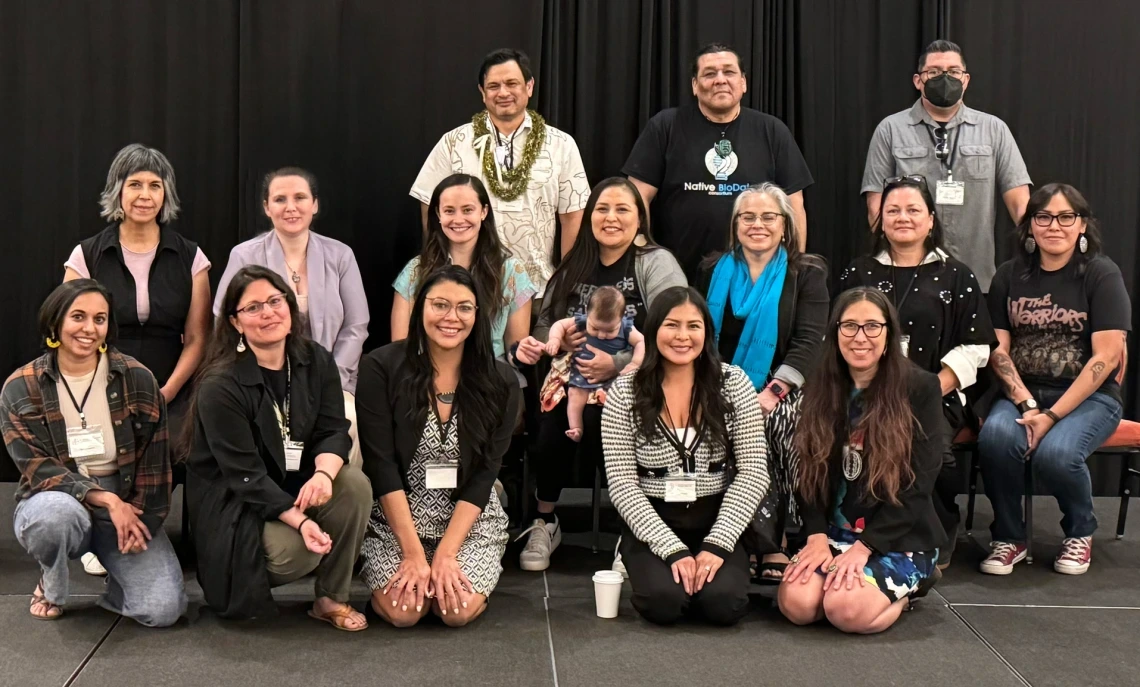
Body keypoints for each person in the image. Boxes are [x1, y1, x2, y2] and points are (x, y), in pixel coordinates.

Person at [513, 177, 687, 571]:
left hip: (637, 375)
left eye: (622, 210)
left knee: (599, 415)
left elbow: (677, 329)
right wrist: (556, 344)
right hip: (573, 373)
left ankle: (632, 526)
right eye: (602, 209)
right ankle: (544, 518)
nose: (611, 218)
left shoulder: (655, 262)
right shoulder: (575, 264)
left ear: (639, 219)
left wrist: (619, 363)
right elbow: (545, 324)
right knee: (553, 414)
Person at [185, 266, 372, 629]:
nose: (268, 312)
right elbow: (245, 477)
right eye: (252, 308)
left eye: (275, 301)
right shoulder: (220, 385)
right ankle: (248, 579)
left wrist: (322, 475)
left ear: (290, 306)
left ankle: (331, 598)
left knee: (352, 485)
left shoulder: (315, 359)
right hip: (238, 503)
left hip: (294, 483)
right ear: (236, 323)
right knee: (297, 553)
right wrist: (302, 522)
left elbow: (335, 429)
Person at [63, 143, 211, 577]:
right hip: (100, 382)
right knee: (101, 441)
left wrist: (166, 391)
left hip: (174, 383)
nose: (145, 194)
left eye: (154, 185)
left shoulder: (191, 256)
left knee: (197, 440)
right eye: (134, 185)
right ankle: (99, 531)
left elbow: (199, 337)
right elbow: (72, 331)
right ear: (118, 192)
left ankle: (193, 541)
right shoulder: (86, 254)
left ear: (166, 195)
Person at [0, 280, 186, 625]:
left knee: (163, 611)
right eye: (78, 317)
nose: (89, 328)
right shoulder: (20, 386)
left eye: (100, 319)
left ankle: (118, 584)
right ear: (55, 323)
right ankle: (51, 581)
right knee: (55, 517)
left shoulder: (136, 378)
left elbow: (156, 465)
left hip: (126, 499)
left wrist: (139, 519)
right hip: (57, 496)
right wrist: (106, 499)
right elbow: (38, 469)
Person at [840, 175, 995, 568]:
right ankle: (861, 528)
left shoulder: (957, 275)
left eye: (913, 210)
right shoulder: (859, 273)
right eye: (893, 210)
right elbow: (838, 334)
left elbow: (977, 345)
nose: (902, 217)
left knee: (933, 454)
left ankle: (937, 530)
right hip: (864, 392)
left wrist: (931, 387)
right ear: (880, 220)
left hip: (934, 394)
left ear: (930, 220)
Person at [978, 183, 1131, 576]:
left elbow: (1107, 357)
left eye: (1066, 217)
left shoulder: (1101, 273)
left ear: (1082, 225)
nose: (1054, 226)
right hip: (1022, 393)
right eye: (1043, 217)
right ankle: (1009, 537)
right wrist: (1028, 404)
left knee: (1057, 455)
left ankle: (1080, 531)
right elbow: (998, 350)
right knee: (995, 438)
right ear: (1029, 226)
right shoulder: (1010, 275)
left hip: (1090, 398)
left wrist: (1051, 416)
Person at [356, 266, 521, 628]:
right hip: (397, 517)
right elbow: (381, 466)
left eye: (465, 308)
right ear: (420, 308)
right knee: (404, 613)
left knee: (456, 611)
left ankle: (458, 574)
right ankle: (411, 574)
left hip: (468, 521)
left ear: (479, 315)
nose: (452, 317)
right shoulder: (380, 367)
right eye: (440, 305)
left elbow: (484, 474)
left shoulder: (502, 382)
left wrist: (446, 554)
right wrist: (414, 554)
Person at [779, 288, 947, 634]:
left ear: (889, 333)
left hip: (896, 536)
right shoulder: (821, 386)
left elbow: (919, 484)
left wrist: (866, 548)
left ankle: (911, 588)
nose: (860, 337)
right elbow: (808, 472)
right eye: (850, 326)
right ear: (835, 332)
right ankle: (852, 587)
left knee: (845, 611)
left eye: (872, 326)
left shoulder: (920, 388)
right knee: (798, 605)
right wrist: (814, 537)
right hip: (834, 532)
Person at [601, 286, 768, 625]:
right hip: (654, 516)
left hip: (716, 516)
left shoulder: (734, 384)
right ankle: (632, 551)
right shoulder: (624, 391)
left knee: (723, 606)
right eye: (671, 325)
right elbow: (621, 484)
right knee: (664, 605)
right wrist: (672, 549)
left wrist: (718, 544)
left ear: (707, 332)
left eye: (693, 326)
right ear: (653, 330)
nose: (682, 336)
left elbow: (753, 473)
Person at [694, 183, 829, 582]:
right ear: (735, 225)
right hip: (717, 382)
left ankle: (777, 542)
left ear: (785, 226)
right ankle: (742, 540)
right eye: (748, 217)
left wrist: (770, 394)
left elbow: (808, 343)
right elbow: (696, 335)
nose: (758, 224)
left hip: (784, 386)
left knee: (778, 424)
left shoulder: (807, 273)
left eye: (769, 217)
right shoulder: (711, 269)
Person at [214, 167, 369, 468]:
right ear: (266, 207)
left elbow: (356, 325)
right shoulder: (244, 255)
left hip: (330, 376)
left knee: (348, 417)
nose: (291, 207)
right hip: (263, 377)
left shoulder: (340, 255)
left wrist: (331, 379)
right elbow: (225, 317)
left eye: (300, 197)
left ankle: (335, 505)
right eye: (280, 199)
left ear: (315, 204)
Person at [623, 43, 813, 280]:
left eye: (729, 72)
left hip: (757, 277)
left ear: (743, 83)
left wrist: (794, 273)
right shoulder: (665, 126)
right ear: (695, 85)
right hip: (676, 275)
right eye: (709, 73)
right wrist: (645, 257)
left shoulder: (772, 131)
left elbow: (795, 205)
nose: (720, 80)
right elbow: (635, 198)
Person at [410, 48, 591, 294]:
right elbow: (428, 205)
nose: (503, 92)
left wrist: (565, 282)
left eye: (512, 83)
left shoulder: (561, 144)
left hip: (537, 289)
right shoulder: (454, 142)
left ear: (529, 87)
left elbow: (572, 215)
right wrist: (441, 265)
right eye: (493, 86)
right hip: (465, 288)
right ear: (482, 93)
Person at [861, 40, 1032, 291]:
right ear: (918, 81)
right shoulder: (890, 130)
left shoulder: (994, 130)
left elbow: (1020, 203)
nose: (945, 78)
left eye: (953, 72)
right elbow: (876, 206)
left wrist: (1037, 253)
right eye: (934, 72)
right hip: (907, 276)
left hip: (978, 275)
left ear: (965, 80)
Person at [392, 173, 536, 364]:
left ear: (483, 212)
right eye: (449, 211)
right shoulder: (416, 271)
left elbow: (514, 348)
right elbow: (401, 345)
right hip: (426, 374)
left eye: (467, 210)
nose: (458, 220)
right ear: (438, 214)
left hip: (490, 376)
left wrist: (520, 354)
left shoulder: (511, 272)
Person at [543, 286, 646, 441]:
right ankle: (576, 428)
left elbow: (641, 341)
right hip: (583, 371)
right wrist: (555, 339)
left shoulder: (626, 327)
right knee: (574, 395)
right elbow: (559, 325)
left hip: (614, 376)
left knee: (618, 401)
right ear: (587, 312)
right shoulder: (583, 320)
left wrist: (635, 362)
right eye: (595, 328)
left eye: (610, 330)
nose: (602, 335)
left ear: (622, 316)